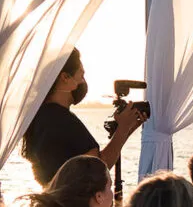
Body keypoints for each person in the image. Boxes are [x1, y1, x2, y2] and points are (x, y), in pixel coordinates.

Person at [21, 48, 145, 186]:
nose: (83, 82)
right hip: (73, 206)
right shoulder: (62, 120)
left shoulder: (40, 115)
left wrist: (127, 127)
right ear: (65, 78)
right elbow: (99, 167)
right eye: (81, 75)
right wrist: (123, 129)